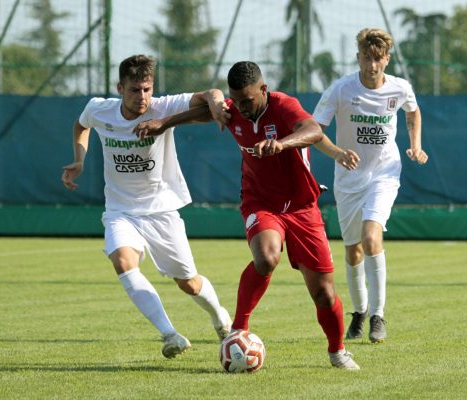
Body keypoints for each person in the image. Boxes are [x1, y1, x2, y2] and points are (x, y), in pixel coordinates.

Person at [134, 61, 360, 370]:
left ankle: (337, 351)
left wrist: (281, 144)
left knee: (323, 293)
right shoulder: (235, 109)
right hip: (260, 203)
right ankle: (238, 328)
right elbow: (204, 110)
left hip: (302, 206)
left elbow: (311, 130)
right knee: (266, 257)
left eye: (248, 100)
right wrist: (165, 123)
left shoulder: (283, 106)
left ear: (264, 90)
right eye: (236, 101)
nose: (241, 107)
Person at [61, 54, 232, 359]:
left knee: (189, 283)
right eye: (134, 90)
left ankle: (219, 315)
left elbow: (211, 95)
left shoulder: (162, 107)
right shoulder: (100, 110)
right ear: (120, 88)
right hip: (120, 211)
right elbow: (79, 124)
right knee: (124, 263)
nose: (142, 97)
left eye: (147, 89)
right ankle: (170, 335)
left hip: (161, 211)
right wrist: (79, 159)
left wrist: (217, 105)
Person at [312, 28, 428, 343]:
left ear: (386, 59)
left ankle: (378, 316)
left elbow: (413, 112)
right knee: (352, 251)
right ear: (358, 57)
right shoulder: (340, 90)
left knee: (370, 237)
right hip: (348, 178)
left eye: (378, 59)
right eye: (367, 57)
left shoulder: (400, 87)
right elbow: (313, 129)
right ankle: (360, 312)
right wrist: (337, 153)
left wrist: (415, 146)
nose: (372, 65)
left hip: (384, 172)